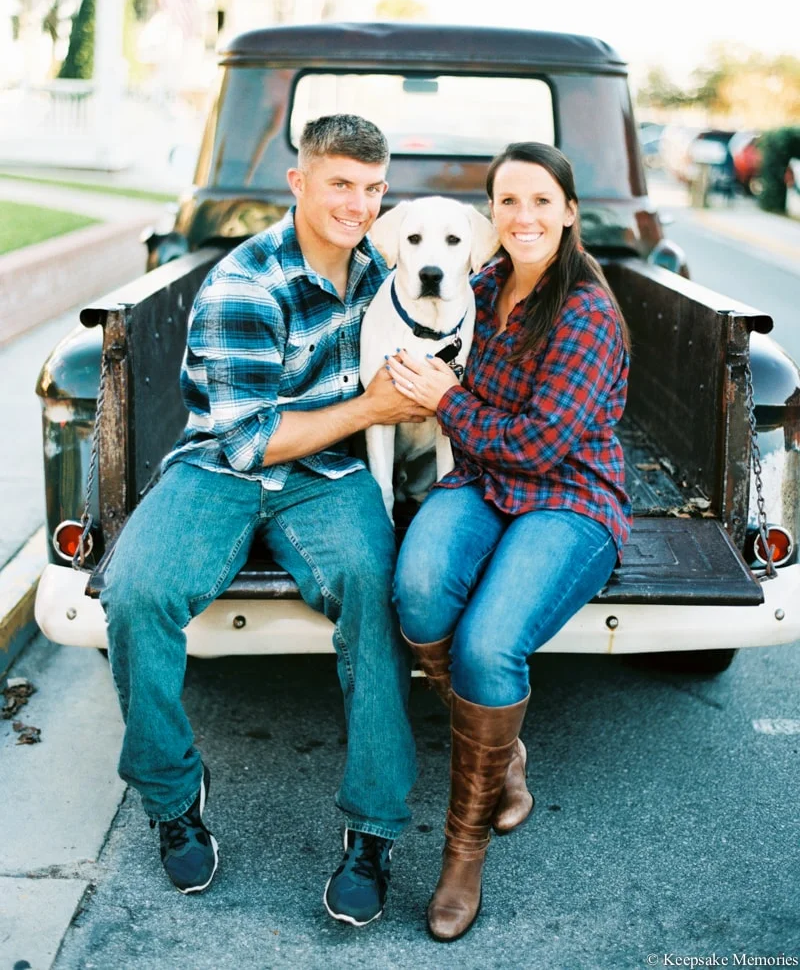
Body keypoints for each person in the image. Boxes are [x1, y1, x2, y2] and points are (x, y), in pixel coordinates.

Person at [101, 114, 430, 925]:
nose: (358, 204)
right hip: (222, 463)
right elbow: (250, 439)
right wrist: (374, 404)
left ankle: (372, 830)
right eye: (340, 184)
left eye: (372, 188)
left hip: (327, 473)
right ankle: (173, 794)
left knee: (374, 588)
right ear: (300, 182)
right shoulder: (246, 282)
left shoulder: (381, 272)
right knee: (136, 591)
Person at [389, 142, 631, 942]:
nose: (523, 216)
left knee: (488, 647)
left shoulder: (587, 312)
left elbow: (535, 445)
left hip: (570, 497)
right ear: (491, 218)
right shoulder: (482, 285)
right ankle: (507, 751)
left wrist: (449, 400)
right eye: (508, 202)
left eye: (540, 200)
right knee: (417, 591)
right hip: (485, 483)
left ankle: (464, 851)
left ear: (569, 211)